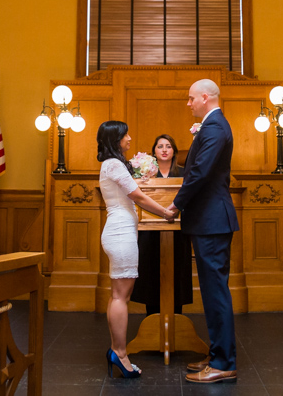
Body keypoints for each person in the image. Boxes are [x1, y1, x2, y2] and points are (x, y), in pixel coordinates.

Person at [166, 79, 239, 384]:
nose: (188, 103)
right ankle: (217, 354)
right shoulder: (213, 126)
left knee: (215, 292)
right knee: (211, 292)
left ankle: (223, 363)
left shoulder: (214, 127)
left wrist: (175, 205)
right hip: (209, 220)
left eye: (191, 98)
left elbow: (199, 173)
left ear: (205, 98)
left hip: (211, 220)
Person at [97, 120, 176, 379]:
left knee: (118, 295)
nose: (130, 138)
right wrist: (166, 212)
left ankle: (116, 351)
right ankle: (120, 354)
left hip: (119, 231)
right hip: (120, 234)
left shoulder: (113, 165)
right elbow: (138, 196)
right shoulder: (113, 164)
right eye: (125, 135)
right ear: (115, 139)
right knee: (121, 296)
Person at [131, 134, 194, 315]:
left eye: (168, 146)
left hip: (178, 232)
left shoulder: (185, 173)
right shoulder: (144, 175)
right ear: (154, 152)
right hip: (150, 233)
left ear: (174, 150)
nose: (164, 150)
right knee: (151, 275)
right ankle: (151, 318)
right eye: (160, 146)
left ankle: (177, 317)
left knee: (177, 275)